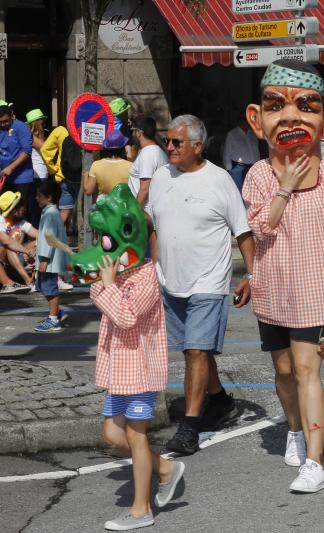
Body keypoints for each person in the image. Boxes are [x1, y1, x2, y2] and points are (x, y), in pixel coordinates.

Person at [243, 59, 324, 493]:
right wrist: (284, 187)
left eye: (306, 105)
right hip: (272, 292)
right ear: (257, 119)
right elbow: (260, 226)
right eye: (276, 105)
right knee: (282, 371)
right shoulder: (258, 175)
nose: (291, 116)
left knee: (305, 368)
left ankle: (316, 462)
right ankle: (295, 431)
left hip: (318, 293)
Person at [148, 115, 254, 455]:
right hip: (170, 280)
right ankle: (221, 401)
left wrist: (252, 276)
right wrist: (153, 268)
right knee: (194, 348)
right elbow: (154, 226)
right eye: (167, 141)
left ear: (197, 145)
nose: (169, 147)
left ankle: (189, 429)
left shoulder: (219, 180)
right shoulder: (162, 177)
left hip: (208, 280)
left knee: (196, 350)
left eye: (176, 142)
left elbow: (243, 232)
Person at [92, 250, 184, 531]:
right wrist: (104, 280)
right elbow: (97, 295)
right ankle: (166, 468)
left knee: (135, 434)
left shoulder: (146, 276)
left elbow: (126, 317)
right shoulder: (118, 272)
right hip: (118, 372)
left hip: (141, 369)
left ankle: (141, 510)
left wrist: (109, 284)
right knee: (113, 436)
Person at [33, 179, 68, 332]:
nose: (36, 198)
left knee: (50, 289)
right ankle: (56, 312)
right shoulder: (51, 213)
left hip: (49, 260)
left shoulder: (50, 214)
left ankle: (53, 319)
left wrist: (44, 259)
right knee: (43, 286)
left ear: (49, 198)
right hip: (48, 259)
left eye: (39, 196)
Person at [128, 116, 167, 209]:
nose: (132, 134)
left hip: (145, 213)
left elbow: (144, 189)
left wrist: (134, 213)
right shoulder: (155, 151)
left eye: (133, 131)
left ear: (139, 133)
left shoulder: (148, 154)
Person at [0, 191, 35, 292]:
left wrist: (33, 247)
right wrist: (27, 251)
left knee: (41, 242)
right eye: (21, 205)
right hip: (4, 261)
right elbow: (8, 242)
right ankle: (22, 281)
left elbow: (40, 235)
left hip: (14, 261)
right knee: (8, 246)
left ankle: (52, 278)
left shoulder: (21, 222)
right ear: (14, 211)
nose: (24, 208)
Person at [0, 105, 34, 203]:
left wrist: (11, 167)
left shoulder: (21, 127)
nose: (2, 124)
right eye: (0, 122)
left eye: (5, 121)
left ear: (12, 116)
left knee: (19, 210)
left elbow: (27, 151)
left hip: (22, 177)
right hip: (4, 177)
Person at [85, 130, 132, 197]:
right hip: (124, 206)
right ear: (123, 148)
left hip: (104, 206)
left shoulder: (96, 165)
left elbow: (88, 191)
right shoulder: (131, 166)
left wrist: (86, 175)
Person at [222, 113, 260, 193]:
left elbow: (256, 149)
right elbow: (227, 152)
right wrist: (229, 169)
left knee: (251, 191)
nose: (246, 122)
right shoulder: (232, 134)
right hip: (238, 168)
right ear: (240, 121)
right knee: (238, 192)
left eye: (247, 120)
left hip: (252, 167)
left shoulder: (252, 133)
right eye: (244, 120)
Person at [25, 108, 49, 227]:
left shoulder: (41, 136)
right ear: (37, 124)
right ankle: (35, 235)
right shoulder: (31, 137)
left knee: (41, 208)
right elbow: (46, 148)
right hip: (37, 177)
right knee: (36, 208)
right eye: (42, 122)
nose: (45, 125)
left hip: (42, 175)